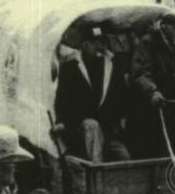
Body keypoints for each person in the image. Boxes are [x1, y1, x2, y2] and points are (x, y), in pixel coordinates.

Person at [53, 24, 130, 162]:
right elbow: (62, 99)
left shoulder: (110, 66)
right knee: (91, 125)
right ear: (84, 45)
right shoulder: (70, 68)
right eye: (93, 43)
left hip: (108, 130)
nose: (98, 47)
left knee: (123, 156)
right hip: (79, 129)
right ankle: (97, 172)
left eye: (100, 42)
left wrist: (121, 120)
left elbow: (121, 96)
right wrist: (61, 121)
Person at [129, 11, 175, 156]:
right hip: (152, 106)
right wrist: (152, 91)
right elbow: (140, 72)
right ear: (166, 27)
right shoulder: (148, 43)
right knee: (155, 147)